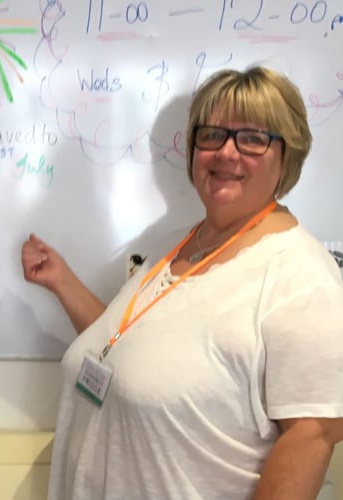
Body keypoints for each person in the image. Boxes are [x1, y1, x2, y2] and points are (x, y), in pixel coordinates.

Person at [21, 66, 343, 499]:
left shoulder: (300, 278)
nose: (227, 153)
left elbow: (314, 434)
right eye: (212, 135)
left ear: (288, 155)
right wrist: (63, 282)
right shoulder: (178, 247)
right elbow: (126, 351)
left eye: (253, 138)